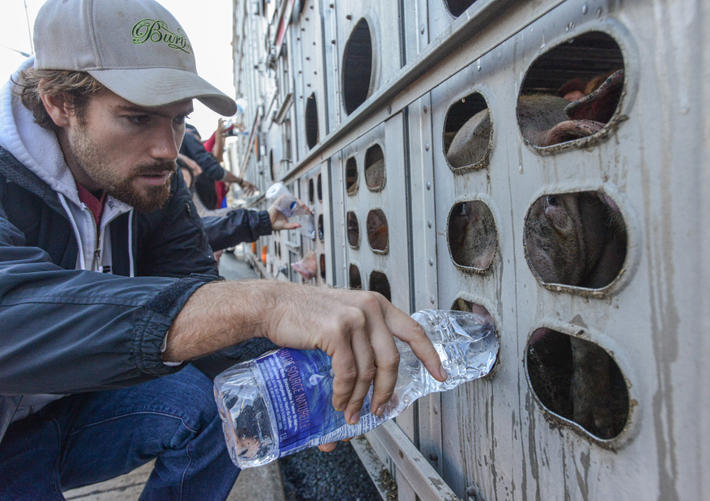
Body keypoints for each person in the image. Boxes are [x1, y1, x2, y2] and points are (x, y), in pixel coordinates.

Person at [0, 1, 446, 499]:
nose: (168, 149)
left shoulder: (145, 180)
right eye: (136, 118)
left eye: (176, 121)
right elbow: (11, 313)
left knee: (229, 404)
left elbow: (195, 295)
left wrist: (319, 373)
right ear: (60, 102)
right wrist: (265, 302)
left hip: (64, 406)